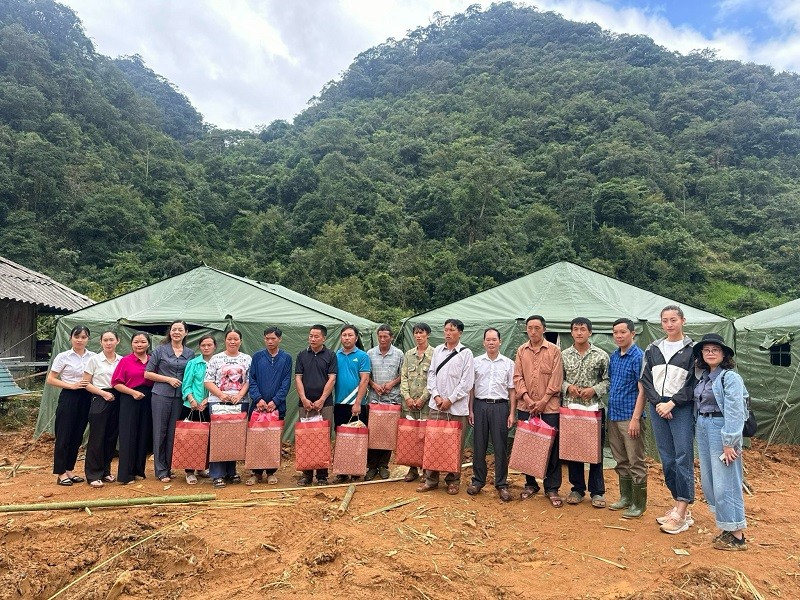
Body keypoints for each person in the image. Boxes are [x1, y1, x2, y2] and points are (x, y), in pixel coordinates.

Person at [640, 305, 696, 535]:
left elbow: (694, 383)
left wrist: (672, 403)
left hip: (680, 408)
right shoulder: (653, 348)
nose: (669, 324)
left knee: (683, 456)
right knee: (667, 458)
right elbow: (645, 379)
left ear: (683, 320)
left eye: (674, 320)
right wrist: (658, 404)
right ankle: (679, 505)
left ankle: (681, 512)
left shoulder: (692, 350)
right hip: (658, 407)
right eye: (665, 320)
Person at [693, 333, 748, 550]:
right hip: (704, 427)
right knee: (711, 481)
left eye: (715, 350)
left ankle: (737, 535)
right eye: (706, 350)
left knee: (727, 481)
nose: (710, 353)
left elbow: (735, 410)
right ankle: (727, 528)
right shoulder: (704, 377)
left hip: (721, 429)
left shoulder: (730, 377)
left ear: (723, 354)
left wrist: (730, 441)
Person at [417, 319, 474, 495]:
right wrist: (436, 395)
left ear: (460, 333)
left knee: (455, 444)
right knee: (433, 443)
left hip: (456, 408)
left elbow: (467, 382)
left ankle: (453, 480)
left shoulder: (466, 354)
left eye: (452, 330)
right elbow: (431, 374)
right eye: (446, 330)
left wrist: (450, 399)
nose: (448, 333)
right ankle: (431, 479)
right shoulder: (438, 352)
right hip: (436, 406)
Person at [513, 315, 564, 506]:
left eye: (537, 328)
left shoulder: (554, 350)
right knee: (528, 446)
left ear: (544, 329)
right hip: (526, 406)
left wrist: (543, 400)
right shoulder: (521, 350)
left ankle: (552, 488)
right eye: (530, 328)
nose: (533, 332)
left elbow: (556, 379)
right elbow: (517, 377)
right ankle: (530, 483)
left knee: (551, 448)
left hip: (549, 407)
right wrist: (526, 398)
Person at [561, 317, 610, 508]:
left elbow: (607, 380)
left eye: (583, 329)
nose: (579, 332)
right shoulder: (563, 355)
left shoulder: (601, 355)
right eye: (575, 329)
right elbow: (558, 380)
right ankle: (577, 488)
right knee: (574, 450)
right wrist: (567, 387)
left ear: (590, 332)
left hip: (593, 409)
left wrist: (594, 390)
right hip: (571, 408)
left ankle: (597, 492)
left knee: (595, 450)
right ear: (571, 332)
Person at [468, 328, 516, 502]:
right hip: (480, 405)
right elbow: (471, 388)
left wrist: (511, 413)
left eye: (494, 339)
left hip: (500, 407)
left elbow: (512, 390)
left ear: (500, 342)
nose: (491, 342)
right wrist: (471, 410)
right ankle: (478, 481)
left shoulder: (508, 363)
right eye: (488, 340)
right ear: (483, 342)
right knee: (479, 445)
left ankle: (501, 484)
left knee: (500, 446)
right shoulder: (476, 362)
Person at [607, 318, 648, 518]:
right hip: (614, 415)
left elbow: (643, 391)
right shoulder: (614, 357)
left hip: (630, 417)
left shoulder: (639, 357)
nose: (619, 336)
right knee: (620, 459)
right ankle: (626, 497)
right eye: (615, 332)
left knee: (635, 460)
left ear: (632, 333)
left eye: (623, 332)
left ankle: (639, 504)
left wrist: (635, 419)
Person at [145, 320, 195, 483]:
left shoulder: (190, 353)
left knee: (174, 433)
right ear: (170, 332)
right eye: (174, 329)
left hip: (180, 398)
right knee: (160, 431)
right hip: (160, 395)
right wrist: (168, 379)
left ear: (186, 333)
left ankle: (169, 467)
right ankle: (160, 470)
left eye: (180, 330)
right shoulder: (160, 350)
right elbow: (148, 374)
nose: (177, 332)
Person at [47, 326, 95, 487]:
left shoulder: (93, 357)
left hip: (87, 396)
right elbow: (51, 379)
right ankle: (60, 472)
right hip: (69, 396)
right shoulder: (63, 356)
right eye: (77, 336)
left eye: (83, 337)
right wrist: (71, 385)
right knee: (64, 434)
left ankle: (69, 469)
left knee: (77, 435)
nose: (80, 340)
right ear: (70, 338)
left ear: (88, 339)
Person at [204, 329, 251, 488]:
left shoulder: (247, 359)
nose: (232, 342)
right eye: (229, 339)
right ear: (225, 341)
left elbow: (249, 381)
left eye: (236, 339)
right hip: (218, 402)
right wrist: (221, 395)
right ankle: (217, 474)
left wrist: (239, 395)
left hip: (240, 402)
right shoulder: (216, 359)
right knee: (219, 437)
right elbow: (208, 381)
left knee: (234, 437)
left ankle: (231, 471)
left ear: (241, 341)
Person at [247, 327, 292, 485]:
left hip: (277, 407)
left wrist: (275, 401)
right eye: (267, 338)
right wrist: (258, 399)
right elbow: (251, 380)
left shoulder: (286, 358)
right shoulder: (257, 357)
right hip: (258, 407)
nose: (270, 341)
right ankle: (256, 473)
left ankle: (271, 472)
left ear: (279, 339)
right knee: (256, 439)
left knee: (273, 439)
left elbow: (286, 382)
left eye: (273, 338)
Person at [294, 324, 337, 486]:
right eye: (310, 336)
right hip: (304, 404)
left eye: (316, 336)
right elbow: (298, 378)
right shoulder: (301, 355)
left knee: (322, 439)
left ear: (324, 338)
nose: (312, 339)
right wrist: (304, 398)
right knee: (306, 439)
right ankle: (306, 475)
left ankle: (322, 476)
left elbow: (331, 379)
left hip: (324, 404)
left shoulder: (331, 355)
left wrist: (321, 399)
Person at [112, 332, 154, 484]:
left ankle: (138, 470)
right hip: (129, 398)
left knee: (143, 435)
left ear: (148, 344)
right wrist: (133, 392)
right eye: (136, 342)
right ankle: (125, 474)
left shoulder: (152, 360)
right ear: (131, 344)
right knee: (128, 435)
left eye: (143, 342)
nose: (139, 344)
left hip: (148, 399)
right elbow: (116, 383)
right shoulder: (125, 361)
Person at [82, 330, 122, 488]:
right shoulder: (94, 360)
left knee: (111, 437)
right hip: (99, 397)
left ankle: (106, 471)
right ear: (101, 342)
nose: (108, 343)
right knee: (97, 437)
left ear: (117, 341)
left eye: (111, 339)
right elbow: (86, 383)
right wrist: (103, 393)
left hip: (118, 397)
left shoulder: (122, 360)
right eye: (105, 340)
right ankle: (93, 474)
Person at [332, 324, 371, 484]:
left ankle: (356, 471)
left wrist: (358, 402)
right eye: (344, 335)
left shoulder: (362, 356)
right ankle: (342, 471)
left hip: (357, 404)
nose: (346, 338)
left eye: (350, 335)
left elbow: (365, 379)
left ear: (356, 338)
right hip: (339, 403)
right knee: (341, 438)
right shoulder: (335, 356)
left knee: (357, 439)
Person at [366, 324, 404, 481]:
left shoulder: (399, 354)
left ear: (391, 337)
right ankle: (371, 466)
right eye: (380, 336)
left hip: (392, 398)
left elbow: (403, 375)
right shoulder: (369, 353)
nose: (382, 339)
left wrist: (391, 384)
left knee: (388, 433)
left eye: (385, 336)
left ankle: (383, 466)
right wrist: (374, 385)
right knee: (373, 432)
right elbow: (365, 375)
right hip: (375, 398)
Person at [180, 334, 216, 485]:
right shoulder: (193, 363)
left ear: (215, 346)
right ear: (199, 347)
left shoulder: (217, 362)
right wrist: (192, 399)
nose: (206, 348)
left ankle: (202, 467)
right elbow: (186, 384)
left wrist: (208, 400)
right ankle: (189, 471)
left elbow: (219, 384)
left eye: (209, 345)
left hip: (211, 405)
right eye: (203, 345)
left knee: (208, 438)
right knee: (191, 439)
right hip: (192, 406)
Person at [399, 322, 434, 482]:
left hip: (426, 404)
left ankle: (426, 470)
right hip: (409, 403)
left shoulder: (435, 354)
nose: (418, 336)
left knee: (426, 436)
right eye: (416, 333)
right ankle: (412, 469)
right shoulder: (408, 354)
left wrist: (422, 398)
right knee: (411, 436)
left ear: (428, 334)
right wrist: (407, 397)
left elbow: (434, 380)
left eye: (422, 333)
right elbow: (404, 377)